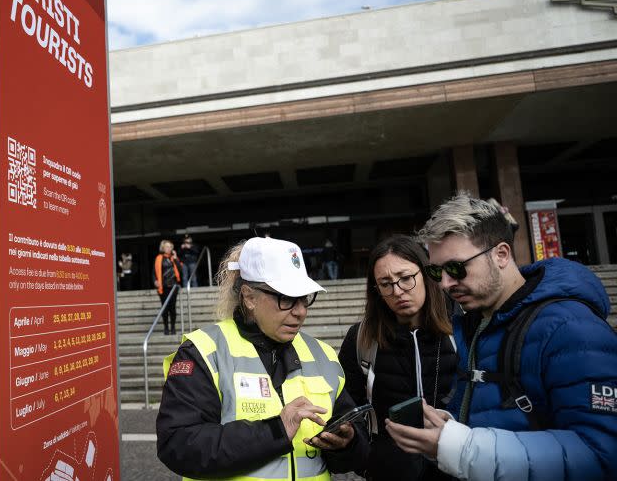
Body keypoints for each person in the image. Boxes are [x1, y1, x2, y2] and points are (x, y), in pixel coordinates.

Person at [386, 193, 617, 480]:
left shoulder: (572, 328)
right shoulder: (477, 321)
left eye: (457, 268)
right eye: (437, 271)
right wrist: (447, 428)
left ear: (501, 254)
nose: (445, 283)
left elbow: (602, 454)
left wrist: (461, 446)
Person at [157, 237, 368, 479]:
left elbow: (357, 446)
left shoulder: (323, 355)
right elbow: (178, 444)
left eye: (305, 298)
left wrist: (347, 443)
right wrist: (276, 431)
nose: (300, 311)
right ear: (249, 297)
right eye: (286, 298)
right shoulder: (204, 351)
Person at [338, 235, 457, 480]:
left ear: (425, 274)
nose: (398, 291)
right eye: (386, 283)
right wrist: (367, 459)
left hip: (457, 466)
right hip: (389, 471)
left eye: (406, 279)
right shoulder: (361, 339)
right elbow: (350, 408)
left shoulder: (462, 328)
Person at [154, 239, 181, 335]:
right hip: (163, 286)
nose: (169, 248)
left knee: (172, 308)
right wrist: (155, 281)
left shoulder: (173, 258)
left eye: (170, 247)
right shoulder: (159, 258)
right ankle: (166, 328)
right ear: (163, 248)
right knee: (165, 308)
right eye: (167, 247)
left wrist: (176, 258)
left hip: (173, 287)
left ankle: (173, 327)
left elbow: (180, 270)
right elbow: (154, 272)